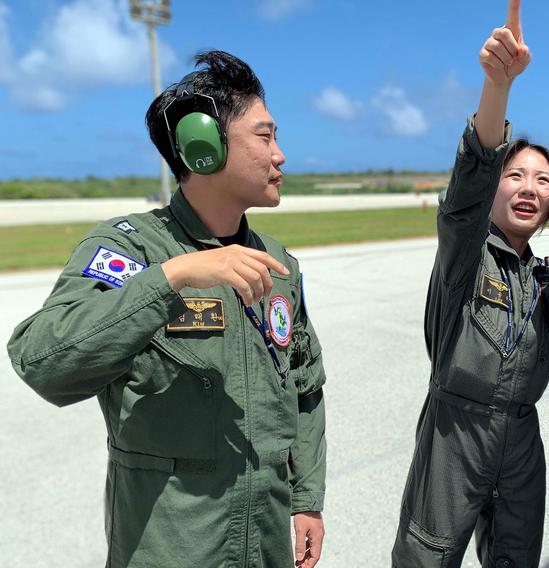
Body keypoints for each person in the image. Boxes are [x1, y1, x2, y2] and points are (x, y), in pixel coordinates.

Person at [7, 51, 327, 568]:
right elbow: (41, 362)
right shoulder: (128, 251)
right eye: (265, 137)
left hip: (265, 545)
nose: (281, 155)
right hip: (172, 548)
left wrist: (307, 499)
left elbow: (305, 387)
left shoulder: (277, 265)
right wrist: (170, 278)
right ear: (204, 148)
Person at [391, 1, 549, 566]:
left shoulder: (541, 275)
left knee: (516, 558)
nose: (528, 187)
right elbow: (469, 183)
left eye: (542, 180)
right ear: (494, 189)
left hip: (521, 439)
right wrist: (497, 88)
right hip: (455, 431)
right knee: (426, 557)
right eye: (515, 176)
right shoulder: (465, 255)